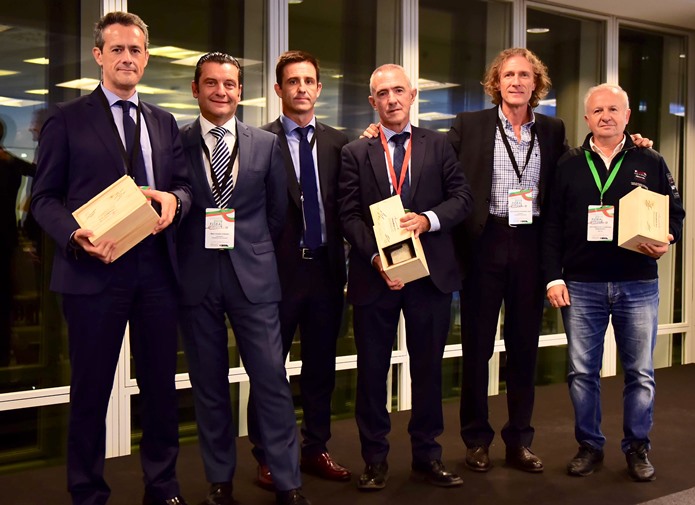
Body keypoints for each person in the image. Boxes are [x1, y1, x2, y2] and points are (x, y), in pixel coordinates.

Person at [30, 11, 191, 505]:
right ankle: (87, 493)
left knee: (161, 389)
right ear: (99, 55)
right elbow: (43, 198)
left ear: (146, 57)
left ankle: (162, 487)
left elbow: (184, 186)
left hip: (157, 273)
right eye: (117, 49)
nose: (127, 57)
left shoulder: (164, 122)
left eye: (135, 50)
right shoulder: (66, 118)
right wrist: (73, 234)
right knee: (92, 391)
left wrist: (176, 200)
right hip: (93, 272)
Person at [176, 52, 310, 505]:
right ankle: (220, 481)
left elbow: (276, 213)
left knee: (271, 380)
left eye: (229, 84)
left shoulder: (265, 145)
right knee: (209, 385)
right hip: (197, 279)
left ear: (240, 91)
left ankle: (288, 482)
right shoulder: (177, 142)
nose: (221, 91)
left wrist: (248, 247)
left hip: (253, 278)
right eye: (211, 83)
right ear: (195, 89)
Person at [338, 63, 472, 491]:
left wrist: (428, 219)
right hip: (375, 277)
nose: (392, 99)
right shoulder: (355, 152)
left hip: (429, 277)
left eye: (399, 90)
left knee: (428, 371)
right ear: (372, 101)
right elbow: (348, 215)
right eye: (383, 93)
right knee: (372, 372)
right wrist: (376, 257)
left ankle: (428, 456)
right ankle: (374, 459)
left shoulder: (439, 145)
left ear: (413, 96)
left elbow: (462, 198)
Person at [542, 83, 684, 482]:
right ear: (587, 118)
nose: (606, 116)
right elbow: (551, 227)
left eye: (614, 109)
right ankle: (589, 446)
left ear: (627, 116)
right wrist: (553, 277)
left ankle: (637, 447)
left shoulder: (650, 160)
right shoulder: (568, 164)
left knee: (640, 373)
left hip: (637, 282)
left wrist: (667, 237)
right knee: (582, 373)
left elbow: (675, 213)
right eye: (598, 110)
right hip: (581, 285)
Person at [448, 47, 567, 474]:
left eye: (524, 75)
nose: (516, 82)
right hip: (484, 242)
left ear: (537, 83)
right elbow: (435, 164)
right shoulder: (471, 124)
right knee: (477, 348)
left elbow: (573, 172)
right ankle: (476, 439)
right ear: (496, 83)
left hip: (531, 244)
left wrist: (632, 144)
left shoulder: (552, 129)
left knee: (523, 348)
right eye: (508, 75)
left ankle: (519, 440)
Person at [249, 49, 350, 490]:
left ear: (319, 89)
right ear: (279, 89)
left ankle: (315, 448)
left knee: (320, 368)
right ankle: (268, 455)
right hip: (277, 275)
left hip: (326, 272)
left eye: (309, 81)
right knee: (269, 369)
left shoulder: (340, 143)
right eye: (293, 81)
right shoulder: (259, 141)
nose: (301, 88)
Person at [0, 117, 36, 367]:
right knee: (4, 300)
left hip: (5, 242)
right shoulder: (11, 163)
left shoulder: (9, 163)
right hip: (7, 241)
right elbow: (37, 171)